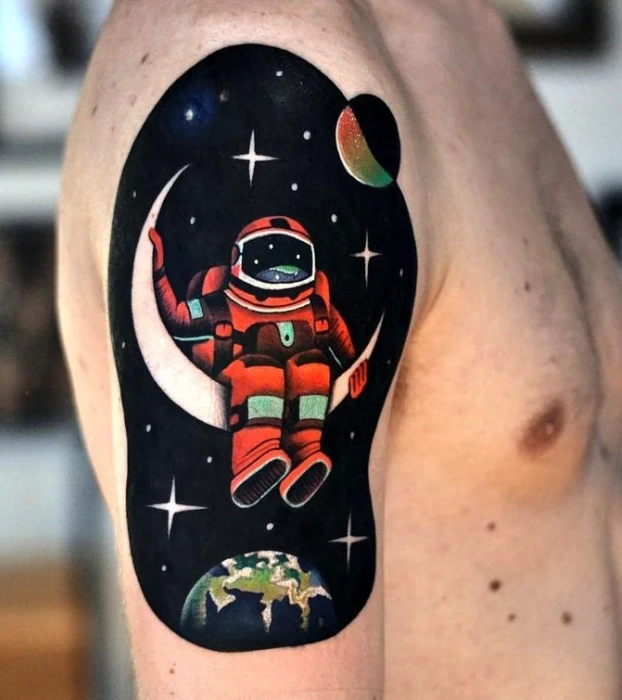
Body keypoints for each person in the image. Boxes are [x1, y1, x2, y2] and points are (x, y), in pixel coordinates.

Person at [57, 1, 622, 697]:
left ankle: (296, 455)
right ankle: (263, 456)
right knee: (266, 399)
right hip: (257, 378)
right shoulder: (260, 84)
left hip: (310, 376)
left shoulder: (461, 25)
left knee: (302, 395)